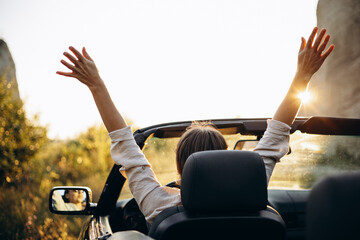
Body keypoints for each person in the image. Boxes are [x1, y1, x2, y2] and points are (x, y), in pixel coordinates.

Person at [56, 27, 334, 224]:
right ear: (225, 162)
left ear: (180, 171)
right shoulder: (254, 190)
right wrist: (303, 75)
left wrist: (97, 85)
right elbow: (278, 132)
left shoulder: (159, 205)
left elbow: (125, 145)